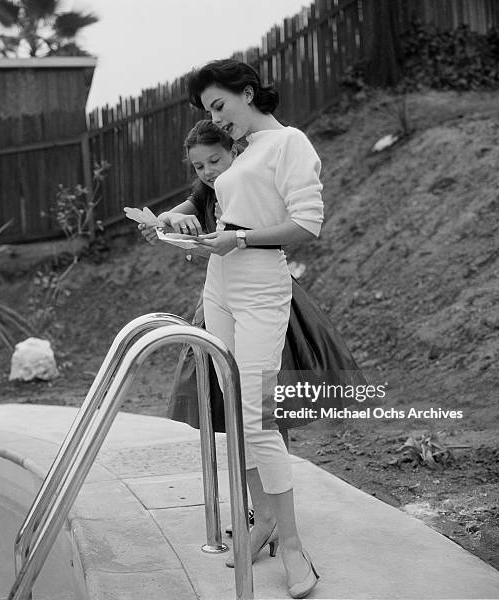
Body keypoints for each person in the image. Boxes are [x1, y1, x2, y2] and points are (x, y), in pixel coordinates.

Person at [185, 58, 323, 599]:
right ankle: (261, 520)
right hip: (219, 283)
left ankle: (291, 543)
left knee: (258, 416)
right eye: (207, 111)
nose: (217, 118)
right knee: (233, 408)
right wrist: (184, 228)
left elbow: (306, 224)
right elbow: (219, 203)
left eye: (220, 106)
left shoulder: (290, 143)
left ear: (248, 92)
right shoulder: (242, 150)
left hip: (261, 286)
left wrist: (238, 240)